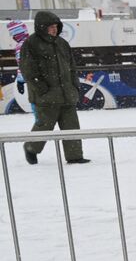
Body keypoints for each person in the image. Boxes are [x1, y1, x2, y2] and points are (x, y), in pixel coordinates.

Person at [19, 11, 89, 166]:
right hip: (46, 97)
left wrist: (74, 86)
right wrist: (43, 89)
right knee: (45, 126)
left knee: (71, 126)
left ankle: (75, 156)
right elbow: (28, 71)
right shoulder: (31, 44)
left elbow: (71, 67)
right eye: (51, 26)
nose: (54, 29)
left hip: (67, 95)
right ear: (42, 27)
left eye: (56, 26)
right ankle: (31, 148)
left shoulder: (62, 43)